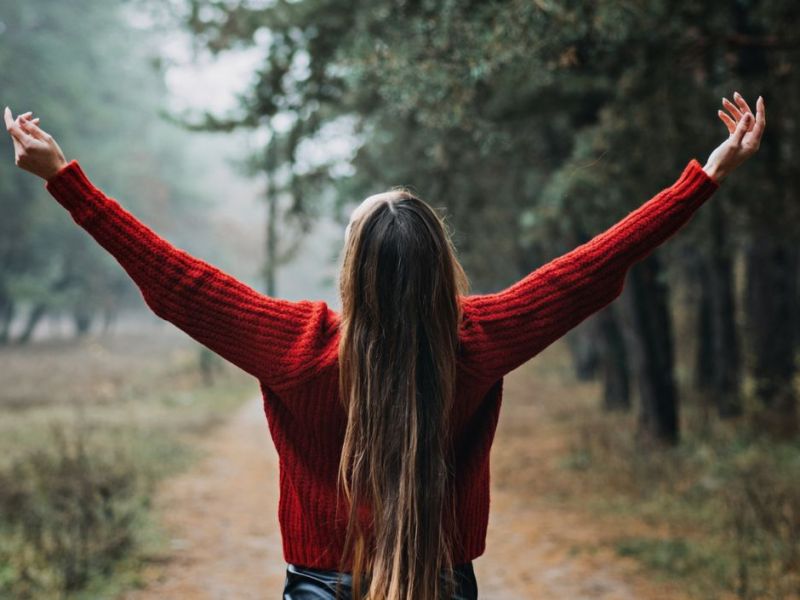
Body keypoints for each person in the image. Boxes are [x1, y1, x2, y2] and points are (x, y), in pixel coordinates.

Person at [4, 92, 765, 600]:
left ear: (351, 272)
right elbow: (591, 268)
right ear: (441, 269)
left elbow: (176, 281)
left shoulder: (295, 347)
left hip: (320, 585)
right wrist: (704, 179)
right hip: (443, 580)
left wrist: (67, 179)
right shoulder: (476, 339)